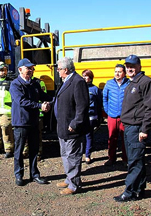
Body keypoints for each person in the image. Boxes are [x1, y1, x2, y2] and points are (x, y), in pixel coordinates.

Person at [113, 55, 151, 202]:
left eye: (132, 66)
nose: (129, 69)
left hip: (136, 128)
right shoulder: (131, 83)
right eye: (127, 66)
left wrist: (144, 129)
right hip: (128, 127)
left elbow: (150, 108)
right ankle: (139, 189)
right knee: (136, 160)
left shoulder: (146, 82)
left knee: (134, 160)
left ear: (139, 66)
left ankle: (129, 192)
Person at [9, 58, 52, 186]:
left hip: (33, 121)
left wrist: (55, 99)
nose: (31, 70)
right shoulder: (15, 84)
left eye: (32, 68)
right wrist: (40, 106)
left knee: (34, 149)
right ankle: (19, 175)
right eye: (28, 68)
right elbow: (21, 101)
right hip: (21, 122)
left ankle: (35, 174)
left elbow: (43, 96)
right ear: (20, 69)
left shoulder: (35, 83)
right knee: (19, 150)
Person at [53, 57, 89, 195]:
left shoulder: (78, 81)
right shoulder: (66, 81)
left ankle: (74, 185)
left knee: (73, 156)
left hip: (72, 128)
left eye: (59, 68)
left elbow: (82, 106)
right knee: (65, 154)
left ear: (66, 70)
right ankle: (69, 179)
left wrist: (75, 123)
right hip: (63, 126)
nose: (57, 71)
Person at [103, 64, 129, 166]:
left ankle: (125, 159)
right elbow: (104, 98)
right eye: (115, 72)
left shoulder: (128, 83)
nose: (117, 74)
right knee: (112, 138)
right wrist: (107, 111)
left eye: (119, 72)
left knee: (125, 138)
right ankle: (111, 158)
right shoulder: (109, 83)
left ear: (124, 73)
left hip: (124, 117)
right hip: (112, 116)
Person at [23, 74, 47, 161]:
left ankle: (38, 153)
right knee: (25, 135)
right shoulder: (21, 83)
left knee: (37, 135)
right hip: (26, 114)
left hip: (37, 113)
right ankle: (26, 151)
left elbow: (43, 97)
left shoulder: (39, 83)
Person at [82, 69, 102, 164]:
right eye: (84, 76)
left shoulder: (95, 89)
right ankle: (79, 154)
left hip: (91, 116)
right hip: (81, 116)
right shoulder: (79, 88)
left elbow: (99, 104)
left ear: (91, 78)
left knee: (89, 135)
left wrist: (99, 117)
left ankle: (87, 155)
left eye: (87, 76)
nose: (85, 78)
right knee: (80, 136)